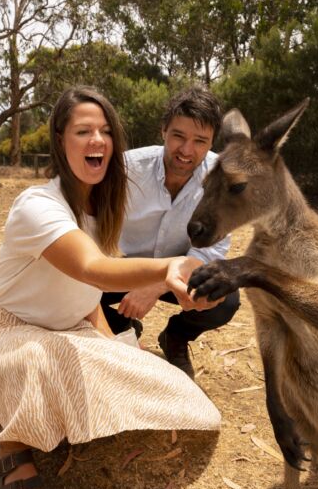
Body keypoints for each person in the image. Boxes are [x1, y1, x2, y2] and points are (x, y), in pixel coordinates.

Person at [0, 86, 222, 489]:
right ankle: (12, 445)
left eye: (104, 131)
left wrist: (120, 350)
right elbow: (92, 269)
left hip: (68, 329)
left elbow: (87, 296)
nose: (97, 140)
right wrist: (164, 269)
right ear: (61, 141)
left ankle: (71, 394)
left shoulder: (100, 208)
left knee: (180, 395)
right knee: (44, 357)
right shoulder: (38, 205)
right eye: (83, 131)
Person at [101, 86, 240, 378]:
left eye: (200, 141)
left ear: (212, 141)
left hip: (182, 268)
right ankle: (121, 325)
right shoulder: (125, 169)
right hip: (128, 266)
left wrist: (157, 285)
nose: (187, 151)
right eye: (178, 136)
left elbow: (208, 250)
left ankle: (176, 336)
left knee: (225, 298)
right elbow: (85, 222)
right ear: (163, 130)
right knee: (73, 288)